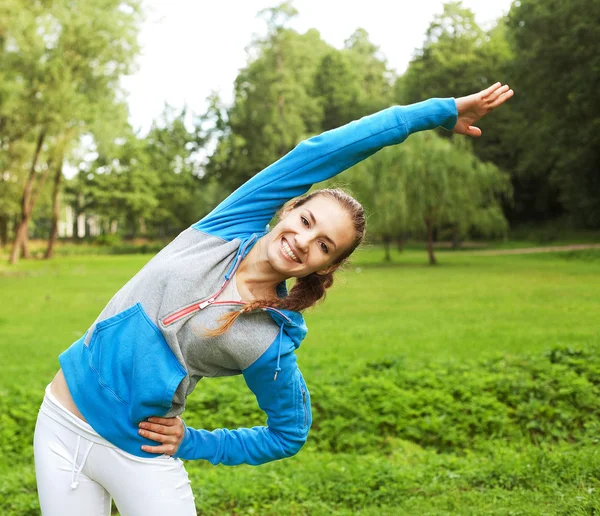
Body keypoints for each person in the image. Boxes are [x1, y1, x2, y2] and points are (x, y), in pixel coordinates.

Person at [33, 83, 513, 515]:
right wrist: (436, 112)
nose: (306, 240)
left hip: (135, 453)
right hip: (59, 422)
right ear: (289, 208)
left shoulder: (268, 342)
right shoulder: (226, 226)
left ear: (325, 266)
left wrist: (196, 442)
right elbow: (325, 151)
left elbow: (288, 433)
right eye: (307, 222)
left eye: (325, 245)